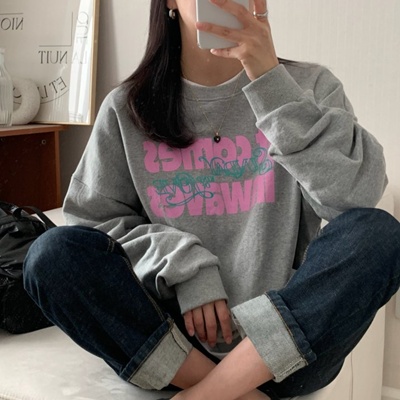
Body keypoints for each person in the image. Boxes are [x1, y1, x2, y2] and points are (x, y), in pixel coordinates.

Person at [23, 0, 400, 399]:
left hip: (290, 344)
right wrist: (186, 264)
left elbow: (356, 198)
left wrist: (270, 82)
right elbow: (91, 225)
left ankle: (207, 395)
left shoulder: (309, 87)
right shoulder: (127, 106)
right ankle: (230, 390)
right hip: (169, 341)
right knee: (52, 255)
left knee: (378, 234)